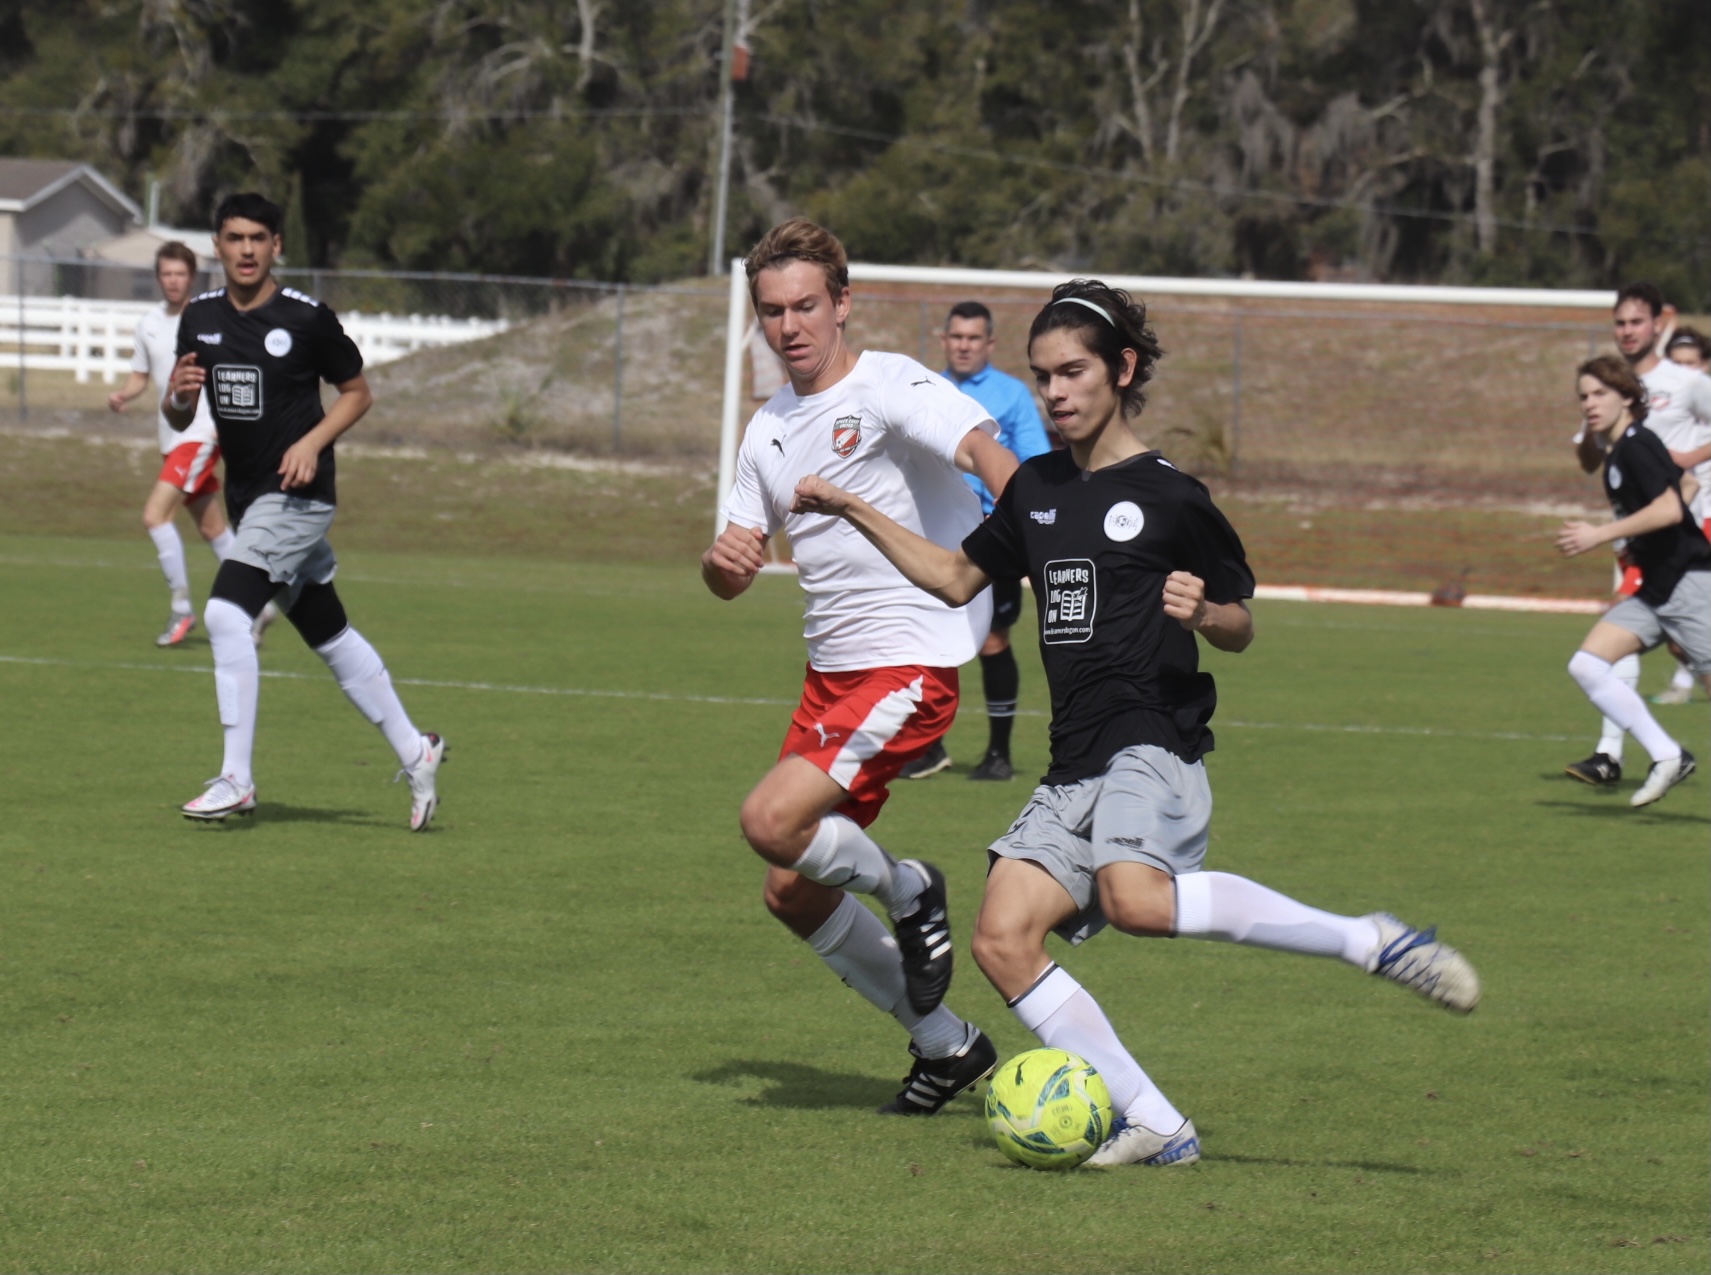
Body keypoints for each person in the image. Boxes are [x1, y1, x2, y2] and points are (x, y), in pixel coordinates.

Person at [792, 279, 1480, 1168]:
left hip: (1152, 739)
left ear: (1120, 370)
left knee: (1135, 899)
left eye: (1072, 371)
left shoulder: (1173, 496)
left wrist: (1203, 613)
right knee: (1001, 938)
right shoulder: (1034, 490)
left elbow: (1240, 624)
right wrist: (852, 508)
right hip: (1071, 761)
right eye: (1041, 376)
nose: (1055, 392)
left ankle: (1367, 938)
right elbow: (956, 578)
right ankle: (1156, 1120)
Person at [702, 219, 1021, 1115]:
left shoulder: (889, 385)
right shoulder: (765, 430)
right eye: (772, 311)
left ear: (843, 303)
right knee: (790, 892)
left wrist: (1040, 516)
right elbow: (730, 564)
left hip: (909, 665)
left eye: (806, 304)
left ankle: (908, 886)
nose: (789, 325)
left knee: (768, 819)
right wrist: (722, 564)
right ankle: (946, 1044)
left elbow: (984, 454)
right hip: (829, 678)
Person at [164, 192, 445, 829]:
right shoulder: (201, 317)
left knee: (225, 614)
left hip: (297, 497)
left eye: (257, 238)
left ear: (276, 246)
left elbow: (357, 393)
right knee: (327, 631)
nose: (245, 249)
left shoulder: (308, 318)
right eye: (234, 238)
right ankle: (416, 749)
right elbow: (179, 413)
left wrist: (314, 441)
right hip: (249, 496)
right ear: (218, 244)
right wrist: (175, 399)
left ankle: (236, 778)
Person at [899, 301, 1052, 783]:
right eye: (956, 337)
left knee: (991, 639)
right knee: (925, 636)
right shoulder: (926, 390)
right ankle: (930, 746)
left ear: (989, 344)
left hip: (993, 533)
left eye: (973, 338)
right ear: (944, 341)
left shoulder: (1011, 396)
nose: (963, 345)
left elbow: (1032, 463)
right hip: (936, 533)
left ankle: (998, 753)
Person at [1564, 285, 1711, 779]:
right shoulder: (1602, 388)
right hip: (1638, 532)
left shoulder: (1685, 380)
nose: (1627, 331)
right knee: (1608, 645)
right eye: (1619, 322)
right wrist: (1591, 425)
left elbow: (1678, 486)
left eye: (1636, 322)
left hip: (1688, 531)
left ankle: (1636, 752)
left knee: (1681, 646)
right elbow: (1589, 461)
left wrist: (1689, 463)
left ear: (1657, 323)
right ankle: (1618, 754)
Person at [106, 242, 236, 645]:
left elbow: (231, 373)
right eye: (166, 274)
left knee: (155, 516)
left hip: (201, 436)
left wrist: (223, 424)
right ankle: (263, 603)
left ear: (192, 277)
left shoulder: (209, 320)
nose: (173, 281)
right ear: (158, 277)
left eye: (180, 274)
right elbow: (142, 374)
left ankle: (181, 610)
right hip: (171, 435)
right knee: (213, 527)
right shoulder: (147, 324)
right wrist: (125, 395)